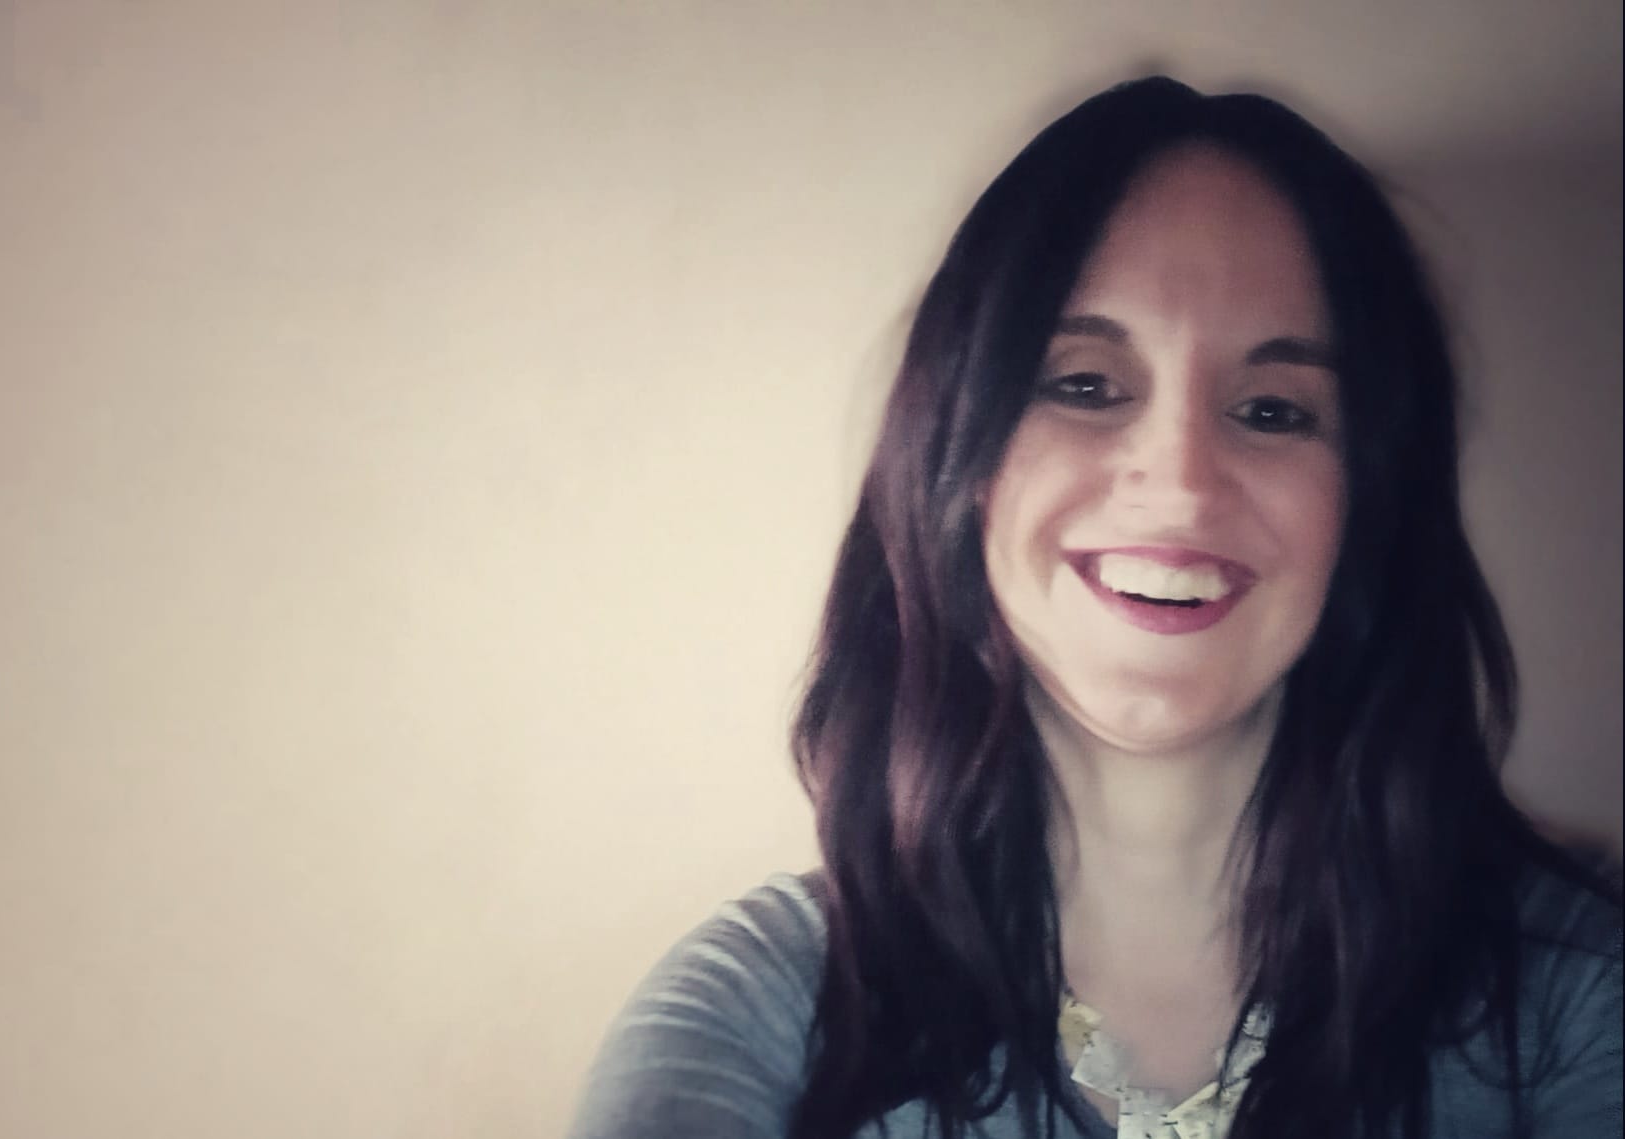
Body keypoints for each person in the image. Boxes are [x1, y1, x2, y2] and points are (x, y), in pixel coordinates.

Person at [565, 76, 1622, 1139]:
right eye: (1082, 384)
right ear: (960, 456)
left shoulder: (1584, 981)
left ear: (1371, 499)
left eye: (1271, 409)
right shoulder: (755, 1013)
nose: (1181, 484)